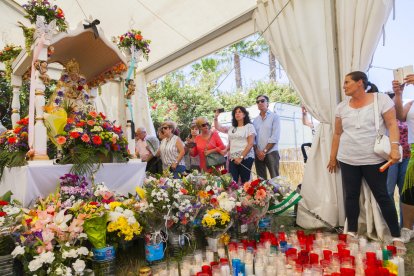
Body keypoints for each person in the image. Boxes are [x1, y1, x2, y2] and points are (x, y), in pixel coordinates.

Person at [327, 71, 403, 247]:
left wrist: (394, 147)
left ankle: (397, 236)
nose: (344, 86)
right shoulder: (341, 107)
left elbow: (392, 124)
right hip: (348, 159)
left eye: (347, 82)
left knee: (382, 196)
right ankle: (351, 232)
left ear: (360, 82)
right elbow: (337, 134)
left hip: (374, 159)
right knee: (351, 196)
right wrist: (333, 157)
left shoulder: (381, 99)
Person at [392, 73, 414, 243]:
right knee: (408, 190)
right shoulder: (411, 103)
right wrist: (398, 94)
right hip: (412, 151)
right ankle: (407, 229)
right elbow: (400, 116)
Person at [214, 106, 256, 183]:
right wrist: (216, 118)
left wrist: (241, 157)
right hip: (233, 158)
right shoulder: (231, 128)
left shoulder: (249, 126)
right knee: (232, 182)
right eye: (235, 112)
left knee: (245, 182)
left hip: (246, 157)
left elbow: (250, 144)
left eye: (240, 112)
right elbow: (218, 127)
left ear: (244, 114)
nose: (237, 114)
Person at [252, 95, 281, 179]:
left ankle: (277, 193)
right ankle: (264, 193)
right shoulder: (255, 120)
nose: (260, 103)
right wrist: (257, 151)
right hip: (258, 154)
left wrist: (264, 152)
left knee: (275, 179)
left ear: (267, 103)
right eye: (258, 102)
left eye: (262, 101)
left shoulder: (275, 117)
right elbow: (253, 139)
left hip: (271, 152)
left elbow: (275, 137)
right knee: (261, 180)